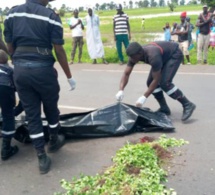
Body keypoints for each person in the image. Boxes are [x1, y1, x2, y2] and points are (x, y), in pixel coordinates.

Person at [4, 0, 76, 174]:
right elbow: (59, 50)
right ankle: (53, 140)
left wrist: (19, 62)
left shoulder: (12, 14)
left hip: (20, 71)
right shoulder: (51, 16)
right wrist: (69, 76)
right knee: (51, 108)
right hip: (43, 70)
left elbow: (9, 45)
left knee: (32, 114)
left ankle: (41, 156)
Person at [115, 41, 196, 122]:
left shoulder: (153, 55)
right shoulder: (134, 55)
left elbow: (156, 79)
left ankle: (187, 104)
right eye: (130, 57)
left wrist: (144, 97)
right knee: (150, 83)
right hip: (163, 57)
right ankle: (164, 108)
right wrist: (121, 90)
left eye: (133, 57)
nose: (131, 59)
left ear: (140, 53)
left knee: (165, 83)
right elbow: (126, 74)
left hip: (174, 54)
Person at [0, 49, 19, 160]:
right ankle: (6, 149)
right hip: (4, 87)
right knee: (8, 116)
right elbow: (17, 87)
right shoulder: (9, 70)